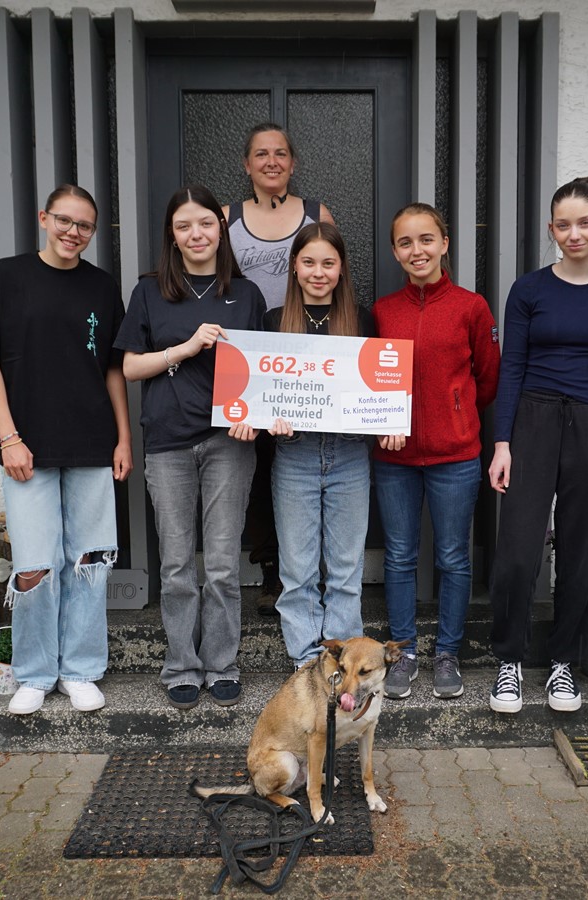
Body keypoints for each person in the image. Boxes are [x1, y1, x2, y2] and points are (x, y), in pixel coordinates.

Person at [0, 184, 132, 716]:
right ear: (43, 218)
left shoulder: (102, 288)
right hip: (25, 446)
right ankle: (34, 672)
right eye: (64, 220)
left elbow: (112, 368)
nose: (72, 232)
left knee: (89, 561)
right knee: (34, 565)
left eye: (84, 226)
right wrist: (8, 436)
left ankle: (80, 670)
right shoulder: (4, 278)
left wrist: (123, 437)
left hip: (91, 440)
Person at [487, 177, 588, 715]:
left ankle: (562, 664)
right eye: (562, 224)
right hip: (531, 419)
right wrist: (503, 440)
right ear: (551, 228)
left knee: (579, 552)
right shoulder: (529, 290)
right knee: (517, 552)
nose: (573, 233)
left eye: (584, 222)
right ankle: (509, 661)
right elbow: (511, 368)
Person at [113, 185, 266, 710]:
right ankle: (181, 664)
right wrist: (184, 347)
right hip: (168, 444)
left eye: (205, 223)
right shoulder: (150, 292)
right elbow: (130, 367)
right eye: (184, 226)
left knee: (222, 563)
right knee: (177, 564)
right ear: (171, 236)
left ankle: (222, 663)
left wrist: (257, 421)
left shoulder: (245, 295)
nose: (196, 234)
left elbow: (263, 372)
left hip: (228, 443)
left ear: (220, 229)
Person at [231, 223, 374, 668]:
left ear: (341, 268)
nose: (318, 272)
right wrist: (259, 418)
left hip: (350, 454)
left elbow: (378, 389)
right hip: (293, 456)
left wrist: (388, 419)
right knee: (297, 572)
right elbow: (258, 391)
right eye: (309, 262)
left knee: (347, 569)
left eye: (328, 263)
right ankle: (308, 661)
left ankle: (342, 658)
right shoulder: (274, 321)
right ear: (294, 266)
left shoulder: (362, 319)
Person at [372, 203, 500, 700]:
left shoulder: (471, 307)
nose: (416, 250)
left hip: (455, 455)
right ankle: (402, 652)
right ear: (395, 252)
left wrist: (456, 414)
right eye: (405, 242)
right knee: (400, 557)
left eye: (426, 239)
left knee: (452, 557)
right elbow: (369, 380)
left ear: (444, 244)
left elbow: (486, 379)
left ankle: (447, 653)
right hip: (394, 460)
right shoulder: (383, 311)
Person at [223, 122, 335, 616]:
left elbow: (333, 265)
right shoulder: (225, 217)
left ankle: (320, 571)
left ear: (292, 162)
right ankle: (272, 567)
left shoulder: (315, 214)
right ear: (246, 165)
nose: (272, 161)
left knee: (308, 457)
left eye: (281, 153)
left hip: (306, 352)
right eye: (261, 154)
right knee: (259, 464)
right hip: (250, 354)